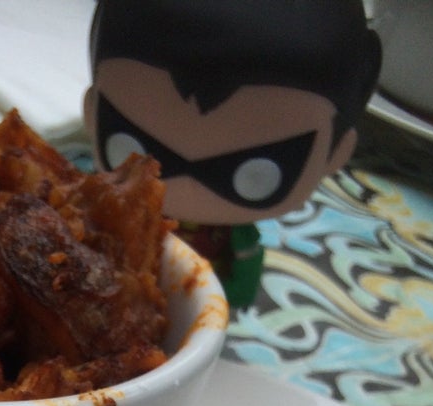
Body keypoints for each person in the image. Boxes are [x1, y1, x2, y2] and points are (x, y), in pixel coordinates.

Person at [84, 0, 382, 306]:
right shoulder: (106, 208)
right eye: (132, 147)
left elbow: (244, 273)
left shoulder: (237, 239)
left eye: (257, 175)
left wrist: (232, 297)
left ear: (337, 153)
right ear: (90, 112)